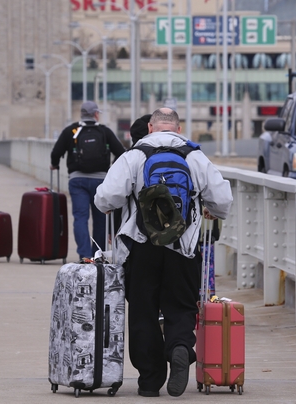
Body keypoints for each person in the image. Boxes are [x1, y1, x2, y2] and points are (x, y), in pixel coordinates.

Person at [94, 108, 233, 398]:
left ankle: (149, 381)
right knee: (180, 305)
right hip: (183, 246)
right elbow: (222, 200)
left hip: (141, 246)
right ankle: (180, 347)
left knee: (143, 310)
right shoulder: (193, 155)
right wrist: (210, 209)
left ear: (151, 126)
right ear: (178, 128)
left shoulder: (134, 155)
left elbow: (106, 198)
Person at [50, 101, 125, 260]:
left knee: (80, 218)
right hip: (101, 182)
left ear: (81, 114)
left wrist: (54, 164)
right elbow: (121, 153)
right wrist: (111, 169)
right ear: (96, 114)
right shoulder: (104, 132)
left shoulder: (71, 131)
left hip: (78, 180)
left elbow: (56, 152)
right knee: (101, 220)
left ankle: (84, 255)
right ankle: (98, 255)